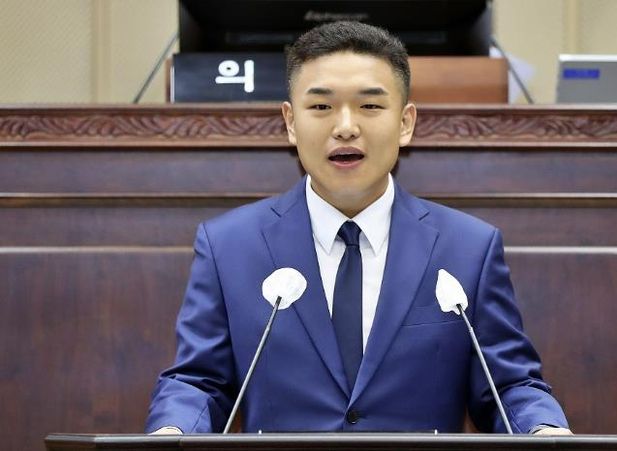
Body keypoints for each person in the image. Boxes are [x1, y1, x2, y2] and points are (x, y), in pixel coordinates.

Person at [146, 21, 571, 435]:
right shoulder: (230, 246)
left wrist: (542, 429)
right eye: (321, 107)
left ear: (405, 123)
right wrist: (173, 431)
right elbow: (200, 382)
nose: (346, 127)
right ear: (290, 122)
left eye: (370, 106)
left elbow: (507, 386)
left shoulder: (469, 248)